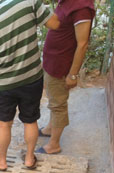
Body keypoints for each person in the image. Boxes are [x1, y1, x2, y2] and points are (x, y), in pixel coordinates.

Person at [0, 0, 59, 171]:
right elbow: (54, 23)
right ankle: (30, 159)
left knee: (4, 124)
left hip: (5, 84)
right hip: (32, 78)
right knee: (30, 120)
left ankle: (1, 162)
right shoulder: (28, 2)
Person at [38, 0, 95, 154]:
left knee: (59, 104)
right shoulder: (67, 2)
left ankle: (54, 144)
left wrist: (73, 74)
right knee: (54, 97)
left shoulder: (81, 9)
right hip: (53, 62)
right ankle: (50, 128)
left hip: (61, 65)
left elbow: (82, 44)